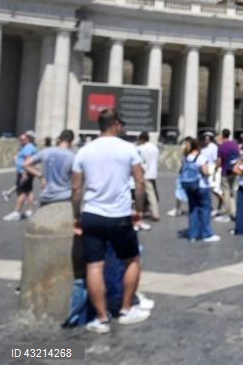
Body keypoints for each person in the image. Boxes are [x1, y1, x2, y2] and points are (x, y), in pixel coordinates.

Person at [71, 109, 150, 333]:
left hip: (92, 215)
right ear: (115, 124)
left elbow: (76, 188)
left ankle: (102, 318)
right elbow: (140, 182)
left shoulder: (84, 151)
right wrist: (139, 210)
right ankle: (126, 310)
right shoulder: (128, 149)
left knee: (94, 266)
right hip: (119, 215)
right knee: (132, 260)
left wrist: (77, 216)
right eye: (121, 124)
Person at [179, 137, 220, 243]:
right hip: (201, 186)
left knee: (193, 209)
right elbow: (205, 172)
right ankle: (206, 233)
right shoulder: (200, 157)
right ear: (198, 146)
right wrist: (210, 172)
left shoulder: (186, 157)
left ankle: (193, 233)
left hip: (189, 185)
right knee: (205, 209)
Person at [23, 129, 75, 205]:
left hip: (47, 196)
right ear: (71, 141)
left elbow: (25, 164)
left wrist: (40, 176)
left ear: (59, 139)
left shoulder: (46, 152)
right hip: (65, 197)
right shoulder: (73, 157)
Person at [3, 132, 38, 221]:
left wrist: (25, 173)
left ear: (28, 139)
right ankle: (29, 211)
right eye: (20, 139)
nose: (21, 141)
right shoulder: (28, 147)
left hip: (24, 172)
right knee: (29, 191)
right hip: (26, 172)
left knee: (21, 192)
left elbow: (28, 160)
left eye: (23, 139)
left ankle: (16, 212)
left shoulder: (28, 148)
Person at [216, 129, 240, 224]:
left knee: (226, 192)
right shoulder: (235, 145)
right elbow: (238, 158)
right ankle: (233, 212)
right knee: (231, 192)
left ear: (222, 135)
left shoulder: (221, 147)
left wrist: (215, 169)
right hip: (234, 171)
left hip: (225, 171)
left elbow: (219, 161)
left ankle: (226, 213)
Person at [136, 132, 160, 222]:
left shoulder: (141, 148)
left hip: (144, 174)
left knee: (148, 194)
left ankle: (154, 214)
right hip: (153, 173)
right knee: (151, 193)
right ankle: (146, 210)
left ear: (141, 139)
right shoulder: (154, 147)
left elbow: (140, 161)